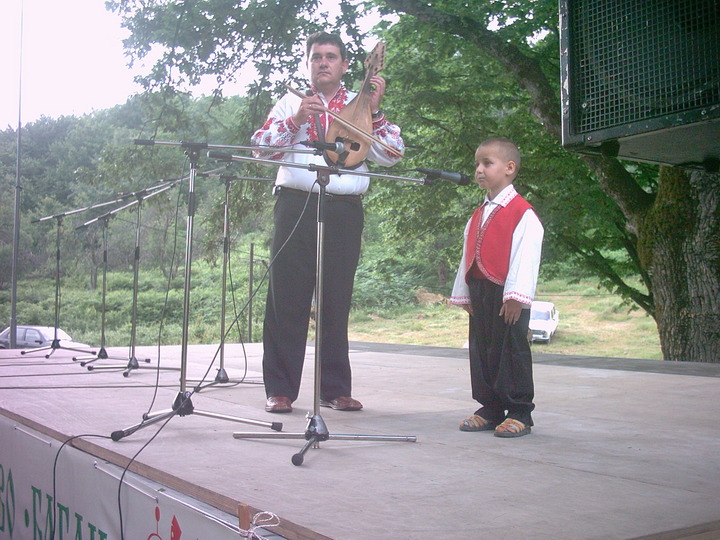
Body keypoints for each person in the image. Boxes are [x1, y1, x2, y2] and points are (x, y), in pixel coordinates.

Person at [251, 32, 404, 413]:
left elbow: (392, 154)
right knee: (287, 296)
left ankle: (335, 389)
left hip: (343, 208)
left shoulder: (360, 102)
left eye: (331, 57)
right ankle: (281, 389)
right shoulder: (291, 100)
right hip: (296, 204)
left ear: (345, 65)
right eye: (316, 56)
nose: (323, 62)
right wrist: (297, 119)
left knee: (336, 297)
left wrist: (377, 110)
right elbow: (260, 147)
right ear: (308, 63)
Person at [449, 138, 543, 437]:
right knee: (483, 349)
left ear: (509, 168)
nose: (479, 170)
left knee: (510, 350)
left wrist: (516, 297)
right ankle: (490, 407)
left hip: (505, 293)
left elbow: (525, 255)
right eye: (477, 164)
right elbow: (467, 254)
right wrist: (464, 292)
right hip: (480, 289)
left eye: (487, 163)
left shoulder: (522, 212)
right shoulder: (479, 212)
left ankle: (519, 411)